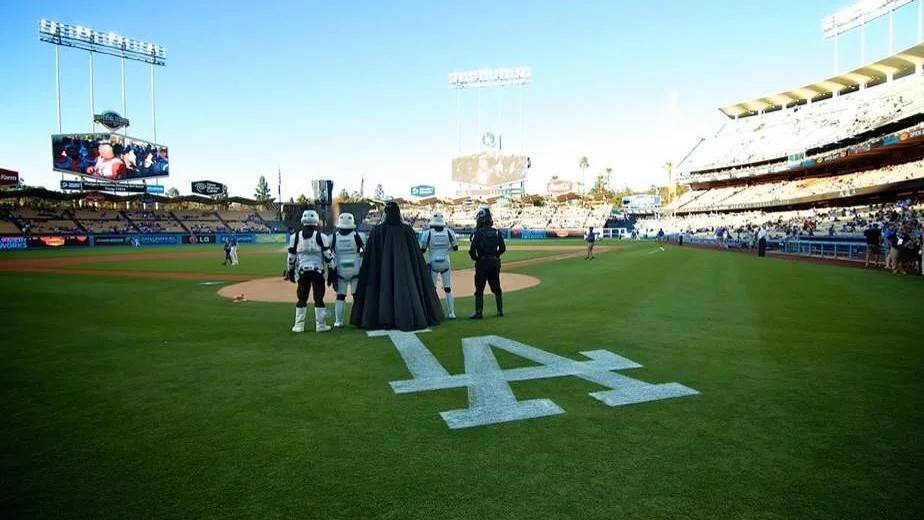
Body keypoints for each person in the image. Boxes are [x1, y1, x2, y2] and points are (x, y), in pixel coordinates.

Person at [349, 201, 444, 331]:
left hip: (382, 274)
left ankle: (380, 317)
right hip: (405, 274)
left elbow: (370, 260)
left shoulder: (377, 232)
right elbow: (416, 258)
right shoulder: (407, 231)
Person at [285, 209, 334, 333]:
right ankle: (320, 325)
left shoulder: (294, 237)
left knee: (302, 298)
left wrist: (290, 271)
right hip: (318, 272)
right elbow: (328, 256)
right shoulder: (321, 236)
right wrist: (332, 271)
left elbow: (291, 257)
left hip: (302, 273)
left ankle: (299, 325)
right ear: (316, 221)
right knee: (319, 298)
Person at [419, 210, 459, 319]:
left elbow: (422, 250)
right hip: (446, 262)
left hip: (432, 262)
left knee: (432, 289)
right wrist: (445, 251)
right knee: (447, 288)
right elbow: (455, 248)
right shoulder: (449, 232)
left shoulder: (427, 233)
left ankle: (433, 312)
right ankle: (452, 313)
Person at [469, 206, 506, 319]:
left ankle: (479, 312)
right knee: (496, 287)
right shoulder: (497, 232)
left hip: (482, 263)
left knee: (479, 288)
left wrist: (476, 258)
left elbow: (472, 250)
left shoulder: (478, 233)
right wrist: (496, 255)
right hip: (494, 263)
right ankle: (500, 311)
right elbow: (503, 248)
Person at [330, 212, 365, 328]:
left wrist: (331, 269)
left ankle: (338, 321)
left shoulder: (333, 237)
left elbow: (328, 254)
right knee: (356, 296)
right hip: (356, 269)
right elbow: (365, 252)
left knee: (340, 296)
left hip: (340, 270)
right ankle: (358, 319)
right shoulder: (359, 236)